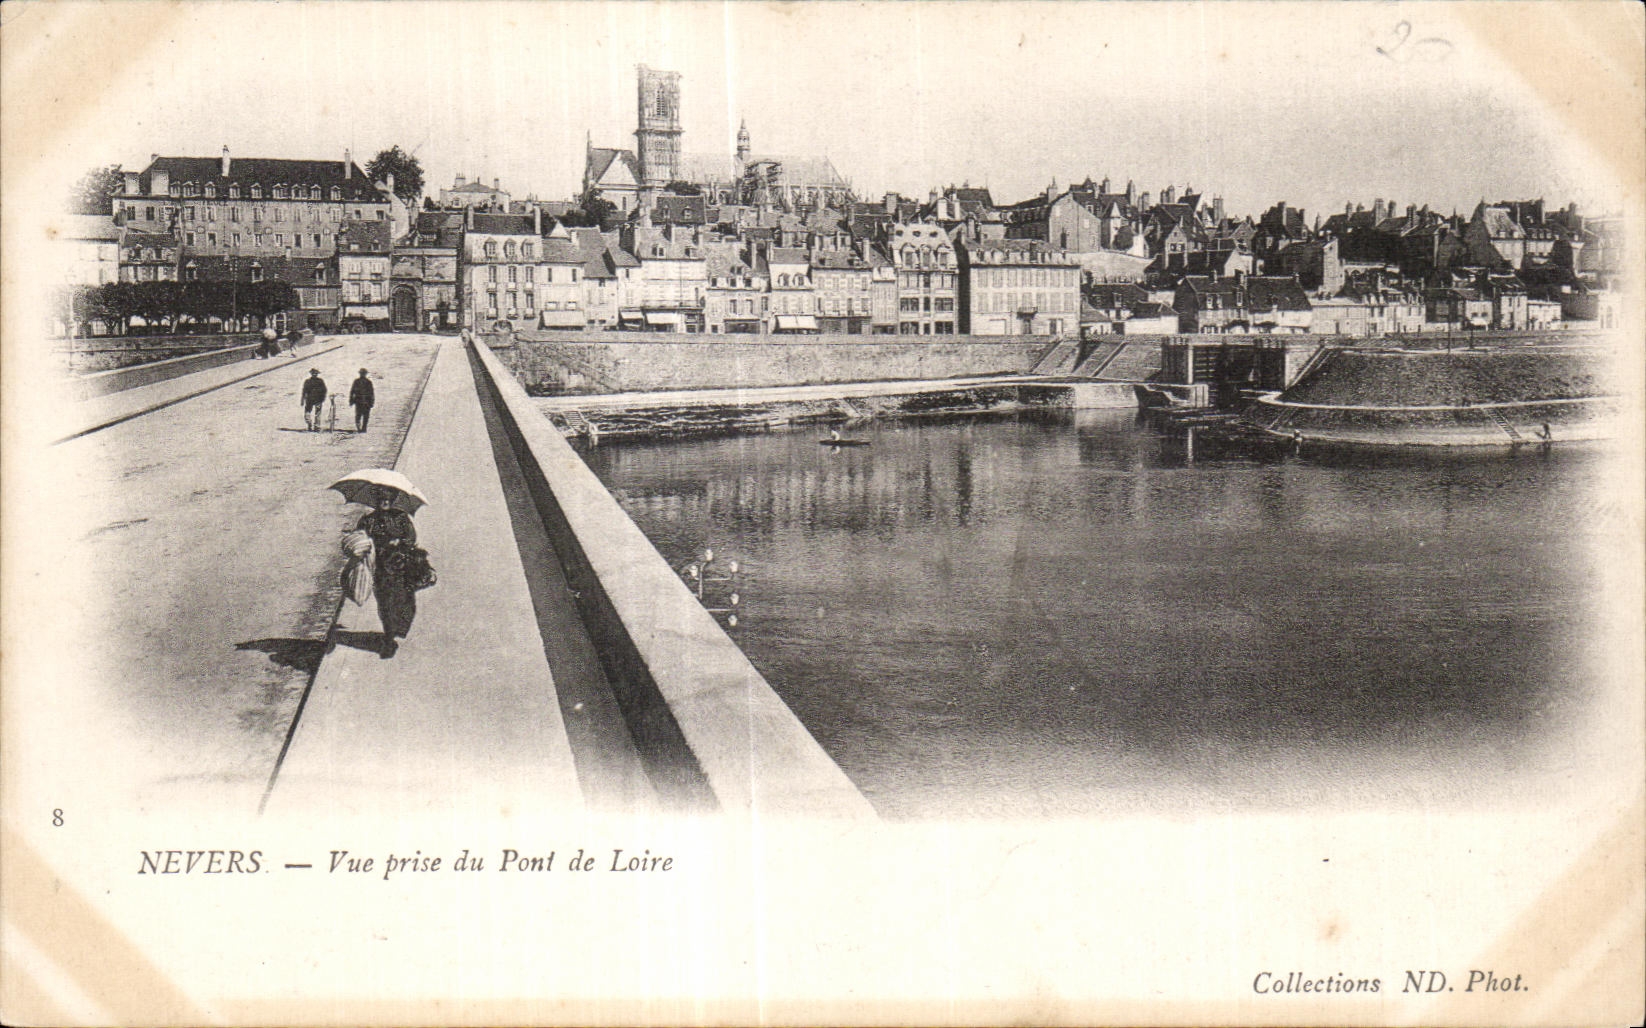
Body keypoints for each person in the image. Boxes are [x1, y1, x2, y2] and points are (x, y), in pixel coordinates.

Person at [356, 485, 419, 657]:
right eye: (381, 499)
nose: (384, 503)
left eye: (387, 500)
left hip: (401, 568)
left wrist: (399, 541)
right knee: (385, 604)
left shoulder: (400, 517)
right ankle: (389, 639)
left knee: (405, 602)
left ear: (392, 501)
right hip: (380, 569)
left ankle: (398, 628)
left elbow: (411, 538)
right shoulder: (368, 520)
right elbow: (359, 539)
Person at [349, 369, 376, 434]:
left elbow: (371, 393)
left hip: (366, 402)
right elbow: (352, 392)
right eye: (362, 373)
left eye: (363, 373)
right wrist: (351, 400)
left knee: (365, 416)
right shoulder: (357, 381)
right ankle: (359, 428)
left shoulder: (368, 382)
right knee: (359, 415)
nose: (363, 375)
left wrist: (372, 402)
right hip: (360, 401)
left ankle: (363, 428)